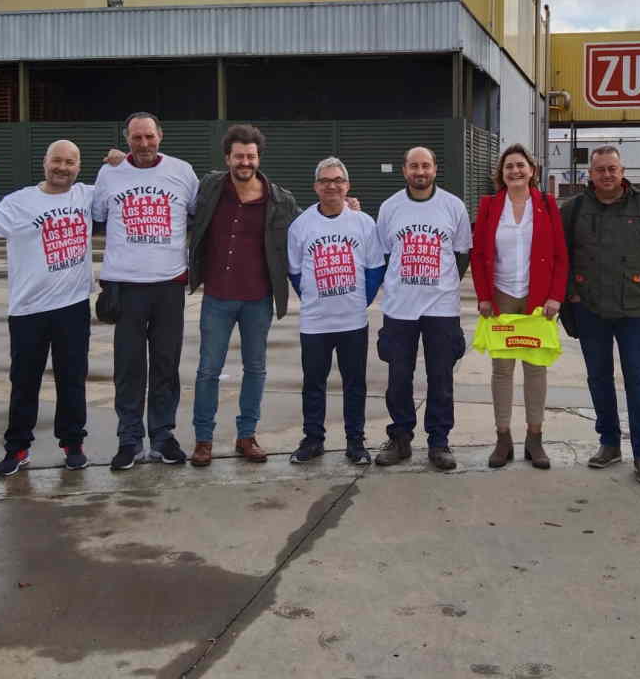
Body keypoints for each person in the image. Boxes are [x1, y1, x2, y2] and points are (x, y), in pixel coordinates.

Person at [0, 141, 93, 475]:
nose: (62, 167)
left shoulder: (86, 195)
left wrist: (120, 159)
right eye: (57, 161)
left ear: (78, 167)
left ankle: (73, 444)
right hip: (28, 310)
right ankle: (17, 448)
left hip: (73, 306)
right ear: (45, 163)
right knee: (25, 382)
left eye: (70, 162)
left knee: (72, 380)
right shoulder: (20, 201)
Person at [186, 124, 299, 466]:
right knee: (208, 370)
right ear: (228, 158)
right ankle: (203, 440)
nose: (245, 162)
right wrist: (120, 162)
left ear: (258, 158)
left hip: (258, 299)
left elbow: (307, 229)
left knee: (256, 369)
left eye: (251, 156)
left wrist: (346, 207)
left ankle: (246, 436)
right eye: (239, 156)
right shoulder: (208, 188)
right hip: (217, 297)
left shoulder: (280, 199)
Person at [561, 145, 640, 484]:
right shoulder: (574, 209)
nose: (607, 175)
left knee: (638, 382)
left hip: (633, 310)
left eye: (612, 168)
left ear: (622, 171)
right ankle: (609, 443)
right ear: (590, 174)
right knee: (598, 379)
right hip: (590, 308)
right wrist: (570, 297)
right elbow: (562, 256)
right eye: (600, 169)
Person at [93, 112, 199, 471]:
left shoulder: (183, 172)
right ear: (127, 139)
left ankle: (163, 436)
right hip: (126, 287)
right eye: (137, 138)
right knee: (128, 367)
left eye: (149, 137)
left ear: (160, 136)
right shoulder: (110, 173)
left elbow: (202, 215)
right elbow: (93, 214)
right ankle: (130, 439)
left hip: (169, 285)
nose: (144, 144)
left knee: (166, 365)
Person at [374, 146, 473, 471]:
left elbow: (461, 254)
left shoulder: (452, 206)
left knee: (441, 377)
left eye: (426, 166)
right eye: (414, 166)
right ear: (405, 170)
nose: (420, 171)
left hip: (441, 309)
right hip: (400, 309)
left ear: (435, 169)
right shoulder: (390, 208)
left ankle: (439, 442)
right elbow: (386, 255)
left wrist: (440, 285)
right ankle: (400, 437)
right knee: (399, 376)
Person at [470, 143, 568, 469]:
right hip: (501, 296)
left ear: (532, 171)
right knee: (502, 370)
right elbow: (480, 255)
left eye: (520, 165)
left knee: (535, 367)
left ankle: (535, 439)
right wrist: (483, 295)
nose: (515, 171)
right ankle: (503, 438)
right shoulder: (489, 205)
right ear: (501, 173)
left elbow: (560, 256)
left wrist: (555, 296)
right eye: (509, 166)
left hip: (537, 299)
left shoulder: (547, 204)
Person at [286, 157, 385, 466]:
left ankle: (355, 442)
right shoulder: (301, 225)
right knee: (313, 382)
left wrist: (359, 301)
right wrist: (317, 297)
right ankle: (313, 439)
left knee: (354, 383)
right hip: (315, 321)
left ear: (347, 186)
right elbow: (295, 272)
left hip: (352, 320)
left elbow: (375, 267)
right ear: (316, 187)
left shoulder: (364, 223)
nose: (332, 186)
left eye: (338, 180)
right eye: (325, 181)